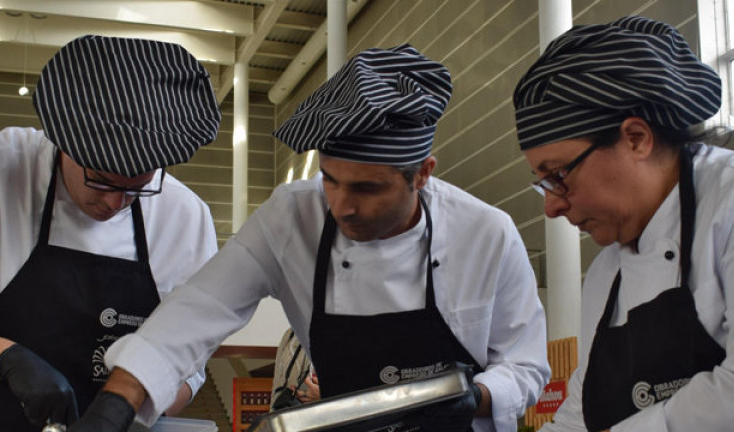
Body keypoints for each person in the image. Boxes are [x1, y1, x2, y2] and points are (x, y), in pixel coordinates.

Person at [69, 44, 551, 432]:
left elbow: (526, 368)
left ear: (422, 175)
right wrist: (115, 406)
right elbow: (194, 311)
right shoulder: (291, 217)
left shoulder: (487, 234)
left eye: (366, 188)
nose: (340, 206)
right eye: (330, 179)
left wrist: (473, 398)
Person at [513, 15, 734, 432]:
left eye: (559, 175)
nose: (552, 208)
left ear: (636, 138)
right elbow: (580, 415)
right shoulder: (605, 274)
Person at [0, 35, 221, 431]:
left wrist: (125, 410)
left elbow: (189, 363)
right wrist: (7, 359)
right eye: (102, 181)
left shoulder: (185, 217)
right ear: (62, 141)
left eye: (138, 188)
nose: (115, 204)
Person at [269, 328, 319, 410]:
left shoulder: (344, 332)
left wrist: (326, 396)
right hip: (287, 415)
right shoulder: (290, 334)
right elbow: (277, 383)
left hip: (326, 416)